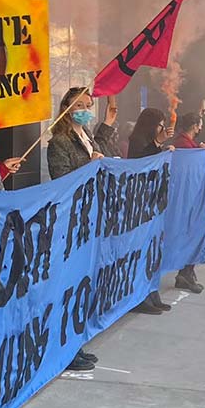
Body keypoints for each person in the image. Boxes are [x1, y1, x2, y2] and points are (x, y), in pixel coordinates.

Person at [44, 87, 117, 370]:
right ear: (67, 107)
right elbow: (60, 178)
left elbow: (106, 152)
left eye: (89, 104)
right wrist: (90, 165)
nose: (86, 109)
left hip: (89, 215)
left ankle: (76, 342)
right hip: (72, 219)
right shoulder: (59, 142)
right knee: (70, 284)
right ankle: (66, 348)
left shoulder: (85, 136)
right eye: (81, 105)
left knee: (83, 283)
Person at [128, 108, 177, 311]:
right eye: (159, 124)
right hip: (140, 201)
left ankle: (151, 290)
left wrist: (163, 150)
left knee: (153, 248)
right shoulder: (137, 140)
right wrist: (158, 144)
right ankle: (140, 296)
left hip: (153, 200)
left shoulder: (150, 141)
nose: (162, 129)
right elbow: (140, 162)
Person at [168, 111, 205, 293]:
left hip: (192, 196)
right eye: (200, 124)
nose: (201, 128)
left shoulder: (188, 144)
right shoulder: (182, 145)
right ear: (194, 126)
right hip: (186, 198)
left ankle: (187, 272)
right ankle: (185, 273)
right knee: (190, 233)